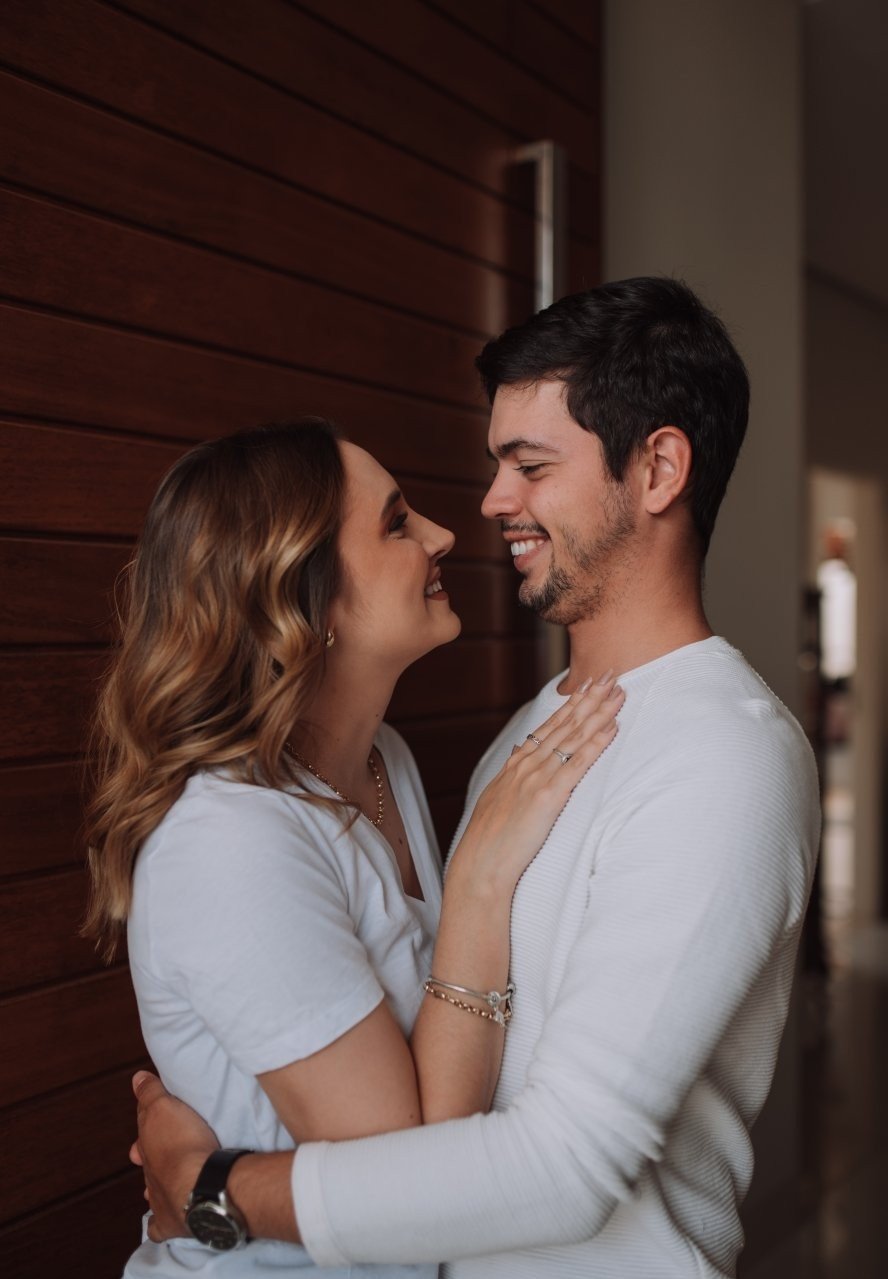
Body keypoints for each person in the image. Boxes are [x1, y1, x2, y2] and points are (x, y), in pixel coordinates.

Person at [131, 277, 821, 1279]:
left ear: (659, 469)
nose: (491, 503)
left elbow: (568, 1166)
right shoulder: (525, 738)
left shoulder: (727, 758)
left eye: (529, 466)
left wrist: (217, 1189)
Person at [83, 417, 624, 1277]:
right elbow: (409, 1193)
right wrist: (480, 879)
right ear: (305, 598)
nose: (444, 535)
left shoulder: (382, 759)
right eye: (397, 522)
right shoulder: (229, 842)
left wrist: (202, 1179)